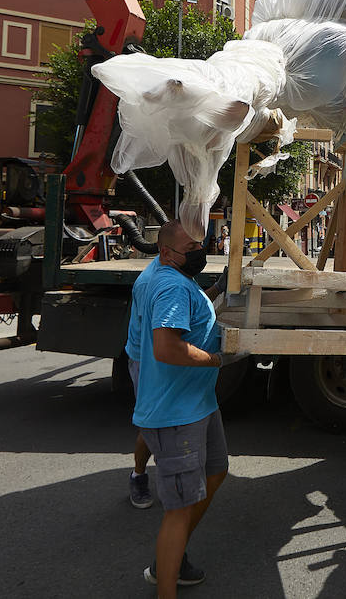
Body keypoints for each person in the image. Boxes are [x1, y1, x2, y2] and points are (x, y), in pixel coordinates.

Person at [128, 220, 230, 597]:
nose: (198, 251)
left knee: (216, 471)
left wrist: (218, 289)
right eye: (190, 246)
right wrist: (216, 360)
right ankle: (165, 581)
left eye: (200, 244)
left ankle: (172, 555)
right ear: (166, 252)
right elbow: (167, 348)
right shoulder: (170, 285)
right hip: (176, 412)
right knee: (179, 507)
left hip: (198, 403)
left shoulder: (174, 278)